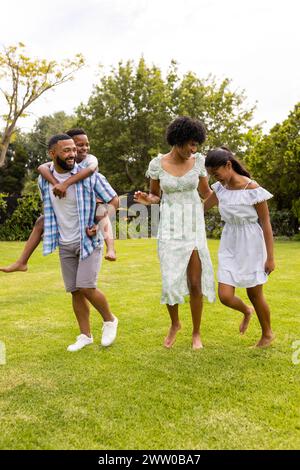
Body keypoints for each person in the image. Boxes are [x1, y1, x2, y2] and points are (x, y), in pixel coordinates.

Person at [134, 116, 215, 350]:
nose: (193, 149)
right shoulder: (157, 164)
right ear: (177, 140)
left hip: (193, 225)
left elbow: (206, 193)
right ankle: (175, 323)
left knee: (195, 282)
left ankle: (196, 333)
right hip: (169, 226)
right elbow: (156, 195)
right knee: (170, 281)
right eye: (190, 143)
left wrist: (228, 190)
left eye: (196, 144)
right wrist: (146, 199)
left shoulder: (198, 162)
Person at [39, 133, 119, 351]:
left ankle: (110, 320)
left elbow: (114, 200)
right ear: (52, 153)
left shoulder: (90, 176)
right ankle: (85, 335)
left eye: (74, 149)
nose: (73, 154)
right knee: (75, 290)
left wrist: (99, 219)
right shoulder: (44, 179)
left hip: (88, 240)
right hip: (65, 242)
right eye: (67, 150)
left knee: (86, 286)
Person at [0, 128, 116, 273]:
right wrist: (56, 183)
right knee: (41, 221)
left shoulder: (90, 160)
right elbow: (42, 167)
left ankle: (111, 249)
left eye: (86, 145)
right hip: (71, 204)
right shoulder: (59, 163)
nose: (83, 148)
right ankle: (22, 262)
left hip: (92, 199)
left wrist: (64, 184)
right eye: (79, 145)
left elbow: (91, 171)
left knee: (102, 214)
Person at [204, 146, 275, 348]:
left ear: (228, 165)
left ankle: (267, 334)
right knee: (225, 296)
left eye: (216, 173)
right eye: (211, 175)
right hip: (229, 242)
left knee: (255, 293)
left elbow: (266, 223)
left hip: (252, 243)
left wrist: (270, 257)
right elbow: (200, 208)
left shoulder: (252, 189)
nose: (215, 179)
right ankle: (246, 311)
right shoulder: (219, 189)